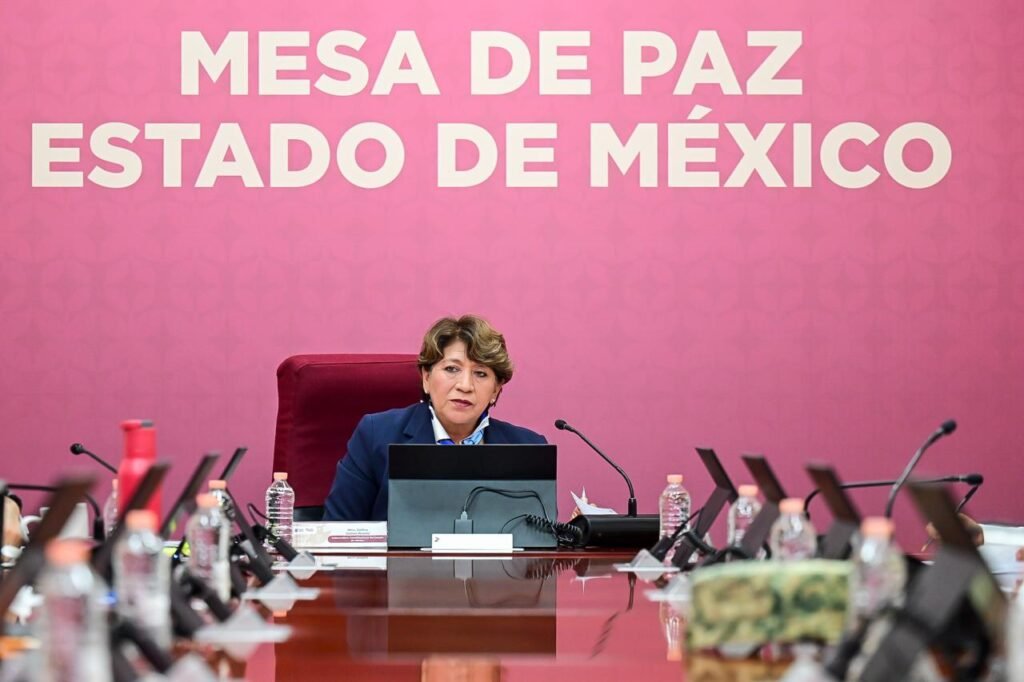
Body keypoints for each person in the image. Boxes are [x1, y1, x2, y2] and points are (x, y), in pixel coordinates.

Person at [323, 315, 547, 521]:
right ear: (426, 378)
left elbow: (539, 541)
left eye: (480, 373)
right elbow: (336, 531)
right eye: (452, 369)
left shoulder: (529, 448)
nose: (465, 386)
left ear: (496, 390)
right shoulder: (376, 436)